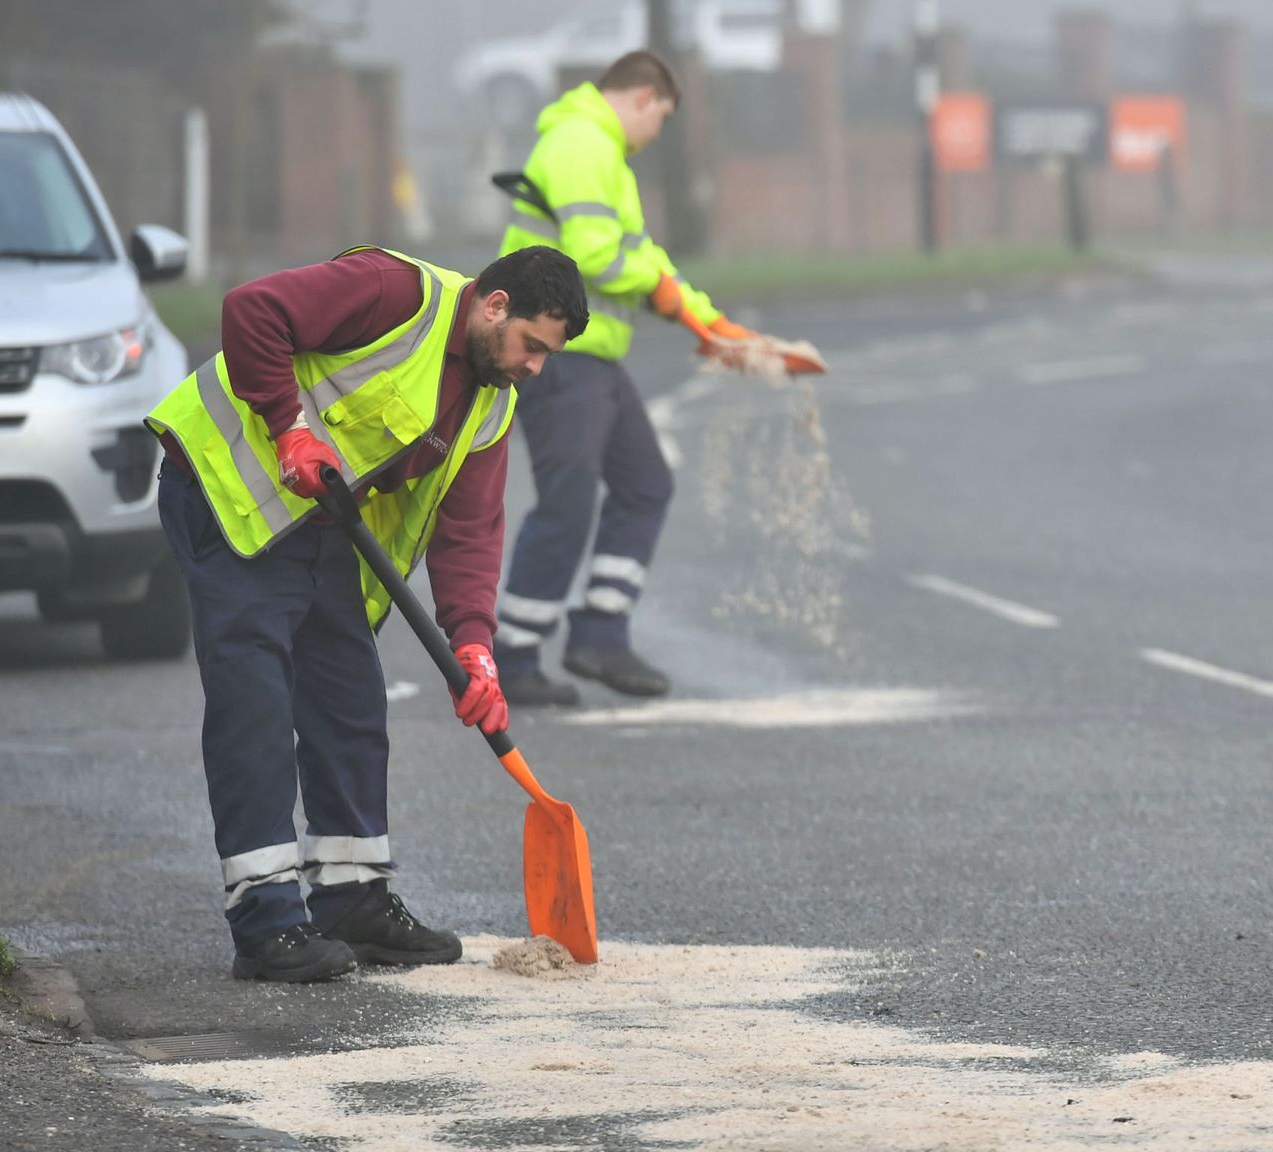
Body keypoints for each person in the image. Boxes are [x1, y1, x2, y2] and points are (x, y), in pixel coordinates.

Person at [144, 244, 588, 983]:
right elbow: (251, 311)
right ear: (495, 306)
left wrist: (474, 646)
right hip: (225, 495)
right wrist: (289, 426)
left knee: (349, 700)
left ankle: (353, 899)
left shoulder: (491, 399)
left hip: (320, 525)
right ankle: (265, 922)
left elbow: (470, 529)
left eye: (549, 355)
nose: (535, 367)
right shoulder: (396, 293)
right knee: (255, 707)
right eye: (532, 346)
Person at [491, 49, 789, 705]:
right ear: (644, 98)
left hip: (591, 354)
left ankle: (598, 632)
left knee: (644, 484)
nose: (658, 133)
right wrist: (672, 298)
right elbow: (599, 254)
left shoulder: (601, 154)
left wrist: (706, 321)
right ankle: (512, 658)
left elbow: (639, 254)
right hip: (557, 351)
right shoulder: (580, 144)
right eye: (662, 119)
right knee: (568, 503)